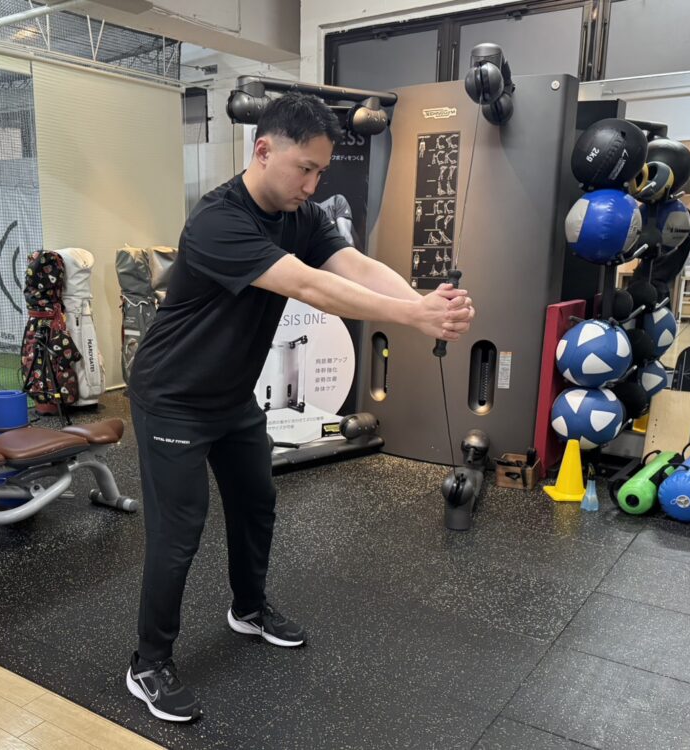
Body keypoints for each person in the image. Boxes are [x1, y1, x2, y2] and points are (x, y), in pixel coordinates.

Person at [124, 92, 475, 723]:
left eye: (321, 172)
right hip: (173, 398)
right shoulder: (217, 222)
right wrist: (415, 316)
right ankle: (149, 662)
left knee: (256, 504)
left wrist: (423, 304)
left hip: (231, 396)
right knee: (179, 534)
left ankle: (248, 608)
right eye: (304, 169)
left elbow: (354, 266)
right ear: (263, 150)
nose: (313, 185)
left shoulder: (301, 214)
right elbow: (312, 286)